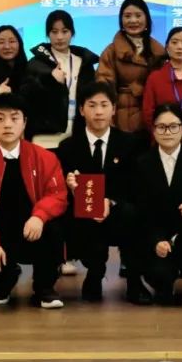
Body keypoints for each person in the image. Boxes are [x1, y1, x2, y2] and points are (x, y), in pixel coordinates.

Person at [0, 92, 68, 309]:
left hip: (32, 229)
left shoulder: (45, 157)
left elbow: (57, 195)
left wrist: (39, 216)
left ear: (24, 122)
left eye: (14, 118)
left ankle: (44, 287)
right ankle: (4, 280)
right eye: (0, 118)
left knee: (54, 229)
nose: (7, 124)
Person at [56, 82, 149, 304]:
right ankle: (95, 274)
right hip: (84, 214)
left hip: (118, 210)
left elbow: (135, 186)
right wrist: (70, 187)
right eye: (92, 105)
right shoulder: (68, 147)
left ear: (113, 109)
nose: (98, 111)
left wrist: (111, 201)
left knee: (134, 214)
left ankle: (134, 281)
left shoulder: (130, 144)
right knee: (80, 220)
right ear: (81, 110)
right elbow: (58, 192)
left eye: (104, 105)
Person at [134, 103, 182, 309]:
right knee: (162, 288)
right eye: (161, 127)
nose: (167, 132)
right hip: (158, 238)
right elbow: (141, 211)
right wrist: (156, 240)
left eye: (173, 126)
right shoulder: (143, 163)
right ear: (153, 130)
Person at [24, 10, 99, 148]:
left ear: (72, 33)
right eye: (54, 32)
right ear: (48, 34)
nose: (59, 37)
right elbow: (27, 98)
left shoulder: (84, 62)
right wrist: (50, 80)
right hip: (46, 136)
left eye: (65, 31)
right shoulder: (36, 64)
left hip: (79, 132)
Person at [96, 0, 165, 139]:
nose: (133, 20)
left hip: (151, 119)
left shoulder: (159, 52)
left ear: (147, 19)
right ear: (121, 20)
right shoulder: (111, 51)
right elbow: (104, 87)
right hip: (121, 120)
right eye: (127, 16)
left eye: (138, 15)